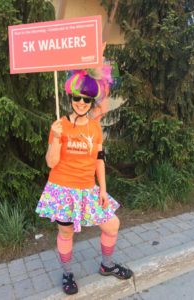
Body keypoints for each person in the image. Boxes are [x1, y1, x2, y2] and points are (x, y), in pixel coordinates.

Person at [35, 67, 133, 295]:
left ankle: (106, 265)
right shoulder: (59, 125)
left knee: (112, 224)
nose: (81, 102)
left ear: (91, 101)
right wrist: (56, 137)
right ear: (70, 98)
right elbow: (51, 162)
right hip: (62, 189)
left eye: (86, 99)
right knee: (66, 233)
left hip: (88, 188)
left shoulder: (95, 127)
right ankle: (67, 273)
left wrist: (103, 190)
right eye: (77, 97)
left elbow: (99, 159)